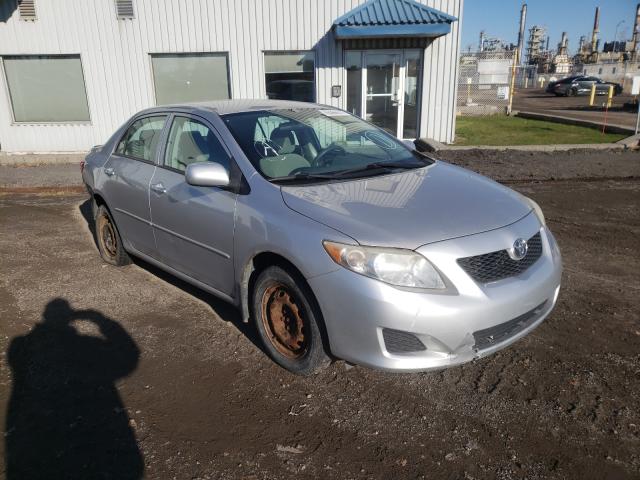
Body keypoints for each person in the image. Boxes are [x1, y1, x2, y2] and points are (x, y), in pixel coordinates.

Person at [5, 298, 143, 479]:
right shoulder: (87, 345)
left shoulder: (19, 344)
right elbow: (129, 358)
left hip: (36, 429)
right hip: (86, 423)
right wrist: (99, 319)